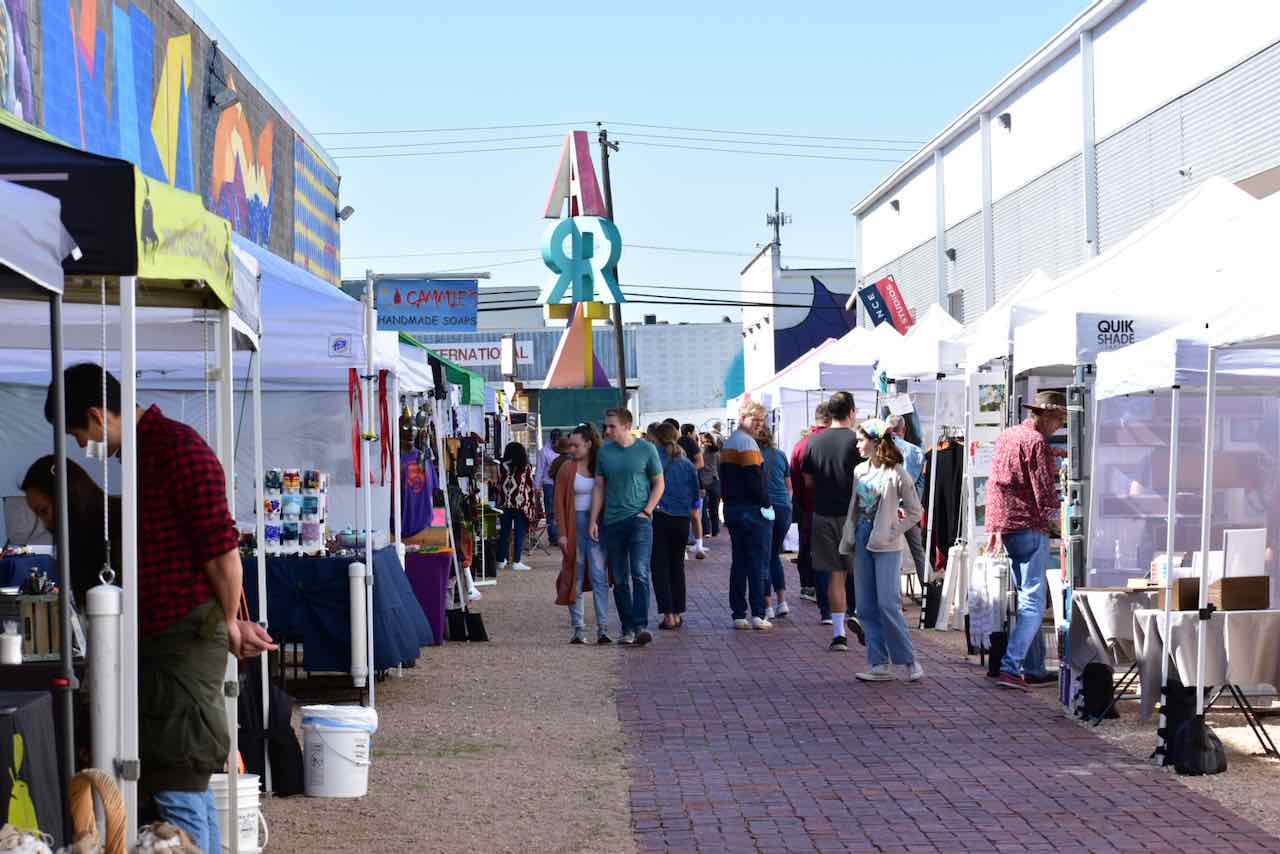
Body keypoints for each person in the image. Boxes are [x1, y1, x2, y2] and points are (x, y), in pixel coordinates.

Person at [47, 364, 276, 852]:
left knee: (178, 776)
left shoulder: (176, 448)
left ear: (95, 414)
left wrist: (228, 621)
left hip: (185, 635)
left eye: (79, 432)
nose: (83, 445)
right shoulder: (145, 451)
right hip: (171, 636)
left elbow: (224, 554)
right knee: (183, 780)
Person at [987, 390, 1067, 690]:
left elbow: (1000, 481)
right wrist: (1058, 521)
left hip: (1008, 527)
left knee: (1026, 601)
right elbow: (1044, 490)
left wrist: (995, 526)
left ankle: (1031, 667)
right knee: (1034, 603)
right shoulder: (1036, 442)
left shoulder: (1009, 435)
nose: (1059, 426)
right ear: (1046, 416)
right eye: (1058, 420)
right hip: (1030, 526)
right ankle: (1012, 666)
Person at [840, 419, 925, 681]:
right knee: (865, 605)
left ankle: (909, 660)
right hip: (864, 537)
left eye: (861, 440)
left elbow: (915, 512)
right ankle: (878, 662)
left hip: (887, 542)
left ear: (876, 442)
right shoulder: (859, 471)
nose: (857, 444)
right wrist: (850, 534)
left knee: (888, 603)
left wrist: (893, 531)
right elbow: (854, 507)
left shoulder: (897, 472)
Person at [590, 408, 664, 646]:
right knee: (620, 578)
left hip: (639, 520)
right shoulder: (604, 453)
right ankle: (628, 627)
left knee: (640, 572)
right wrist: (594, 519)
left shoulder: (646, 449)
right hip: (613, 522)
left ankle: (640, 625)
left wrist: (647, 510)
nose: (607, 430)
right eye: (606, 426)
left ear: (626, 426)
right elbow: (599, 487)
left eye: (612, 426)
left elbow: (659, 483)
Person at [802, 391, 866, 650]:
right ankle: (862, 619)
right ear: (851, 412)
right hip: (854, 514)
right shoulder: (858, 441)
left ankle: (838, 633)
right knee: (861, 572)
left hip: (823, 513)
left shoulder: (814, 443)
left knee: (835, 576)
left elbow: (807, 481)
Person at [20, 455, 121, 608]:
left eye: (43, 511)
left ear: (68, 497)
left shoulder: (116, 527)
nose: (44, 523)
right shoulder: (79, 540)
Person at [554, 424, 611, 644]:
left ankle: (603, 628)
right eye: (571, 445)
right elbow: (558, 502)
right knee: (574, 575)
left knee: (599, 576)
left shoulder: (600, 465)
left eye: (576, 445)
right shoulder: (567, 468)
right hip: (574, 524)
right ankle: (579, 628)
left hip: (596, 524)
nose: (572, 449)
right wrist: (562, 533)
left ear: (588, 443)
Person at [721, 400, 772, 630]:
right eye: (756, 419)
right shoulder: (748, 443)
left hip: (733, 508)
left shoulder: (730, 442)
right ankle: (758, 613)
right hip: (751, 510)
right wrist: (766, 504)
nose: (759, 424)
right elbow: (755, 480)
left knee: (739, 562)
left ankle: (738, 613)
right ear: (743, 418)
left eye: (762, 420)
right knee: (757, 562)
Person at [650, 423, 700, 630]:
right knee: (677, 566)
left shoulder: (655, 460)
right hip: (682, 519)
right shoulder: (687, 463)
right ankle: (678, 612)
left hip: (660, 516)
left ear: (658, 439)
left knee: (660, 567)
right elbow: (696, 495)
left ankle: (668, 614)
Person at [790, 403, 830, 617]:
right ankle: (834, 603)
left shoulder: (800, 446)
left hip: (808, 507)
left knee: (808, 548)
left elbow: (796, 480)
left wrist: (802, 503)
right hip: (835, 509)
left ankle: (809, 586)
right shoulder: (840, 441)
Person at [886, 415, 928, 585]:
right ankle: (928, 593)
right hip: (910, 509)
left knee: (891, 554)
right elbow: (919, 482)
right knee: (919, 552)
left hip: (889, 509)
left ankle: (895, 596)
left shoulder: (882, 449)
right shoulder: (916, 451)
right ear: (904, 430)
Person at [758, 428, 792, 620]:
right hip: (783, 509)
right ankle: (782, 601)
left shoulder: (752, 456)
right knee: (774, 555)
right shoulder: (780, 455)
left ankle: (767, 605)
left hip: (764, 508)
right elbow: (789, 487)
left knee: (764, 557)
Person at [496, 442, 542, 571]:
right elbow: (529, 485)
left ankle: (501, 560)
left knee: (504, 532)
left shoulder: (501, 466)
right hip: (521, 504)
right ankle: (516, 561)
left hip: (505, 503)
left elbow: (499, 484)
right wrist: (532, 503)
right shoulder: (525, 466)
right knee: (519, 533)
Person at [678, 423, 709, 559]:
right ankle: (699, 546)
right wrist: (688, 472)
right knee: (695, 516)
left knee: (682, 516)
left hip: (680, 486)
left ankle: (685, 548)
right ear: (690, 432)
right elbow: (700, 463)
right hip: (693, 485)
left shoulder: (675, 444)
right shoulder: (690, 442)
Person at [535, 429, 564, 545]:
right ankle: (553, 537)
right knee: (551, 512)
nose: (557, 444)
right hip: (549, 485)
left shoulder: (563, 449)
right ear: (552, 440)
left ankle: (561, 534)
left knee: (561, 511)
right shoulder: (544, 452)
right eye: (556, 442)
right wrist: (536, 486)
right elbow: (540, 469)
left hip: (561, 484)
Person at [699, 432, 722, 539]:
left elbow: (699, 467)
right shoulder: (717, 453)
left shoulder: (701, 452)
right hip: (715, 480)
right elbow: (719, 467)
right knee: (714, 508)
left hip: (703, 481)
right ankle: (715, 530)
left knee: (703, 508)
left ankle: (706, 530)